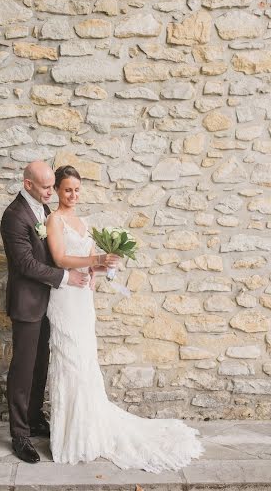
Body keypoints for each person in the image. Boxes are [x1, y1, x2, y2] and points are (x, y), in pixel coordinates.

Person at [45, 164, 203, 473]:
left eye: (77, 189)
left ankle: (88, 431)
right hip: (64, 299)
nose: (73, 195)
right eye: (67, 189)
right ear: (57, 191)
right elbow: (61, 259)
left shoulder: (82, 221)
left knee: (87, 362)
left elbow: (89, 265)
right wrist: (96, 259)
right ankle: (70, 438)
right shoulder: (54, 220)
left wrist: (105, 266)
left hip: (83, 299)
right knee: (70, 361)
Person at [0, 161, 116, 464]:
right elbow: (25, 264)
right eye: (46, 187)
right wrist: (66, 278)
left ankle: (36, 418)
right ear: (28, 185)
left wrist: (92, 267)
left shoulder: (45, 211)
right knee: (23, 370)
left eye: (53, 185)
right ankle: (20, 436)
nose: (51, 192)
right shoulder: (14, 216)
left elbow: (57, 253)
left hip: (51, 302)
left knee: (41, 366)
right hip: (27, 304)